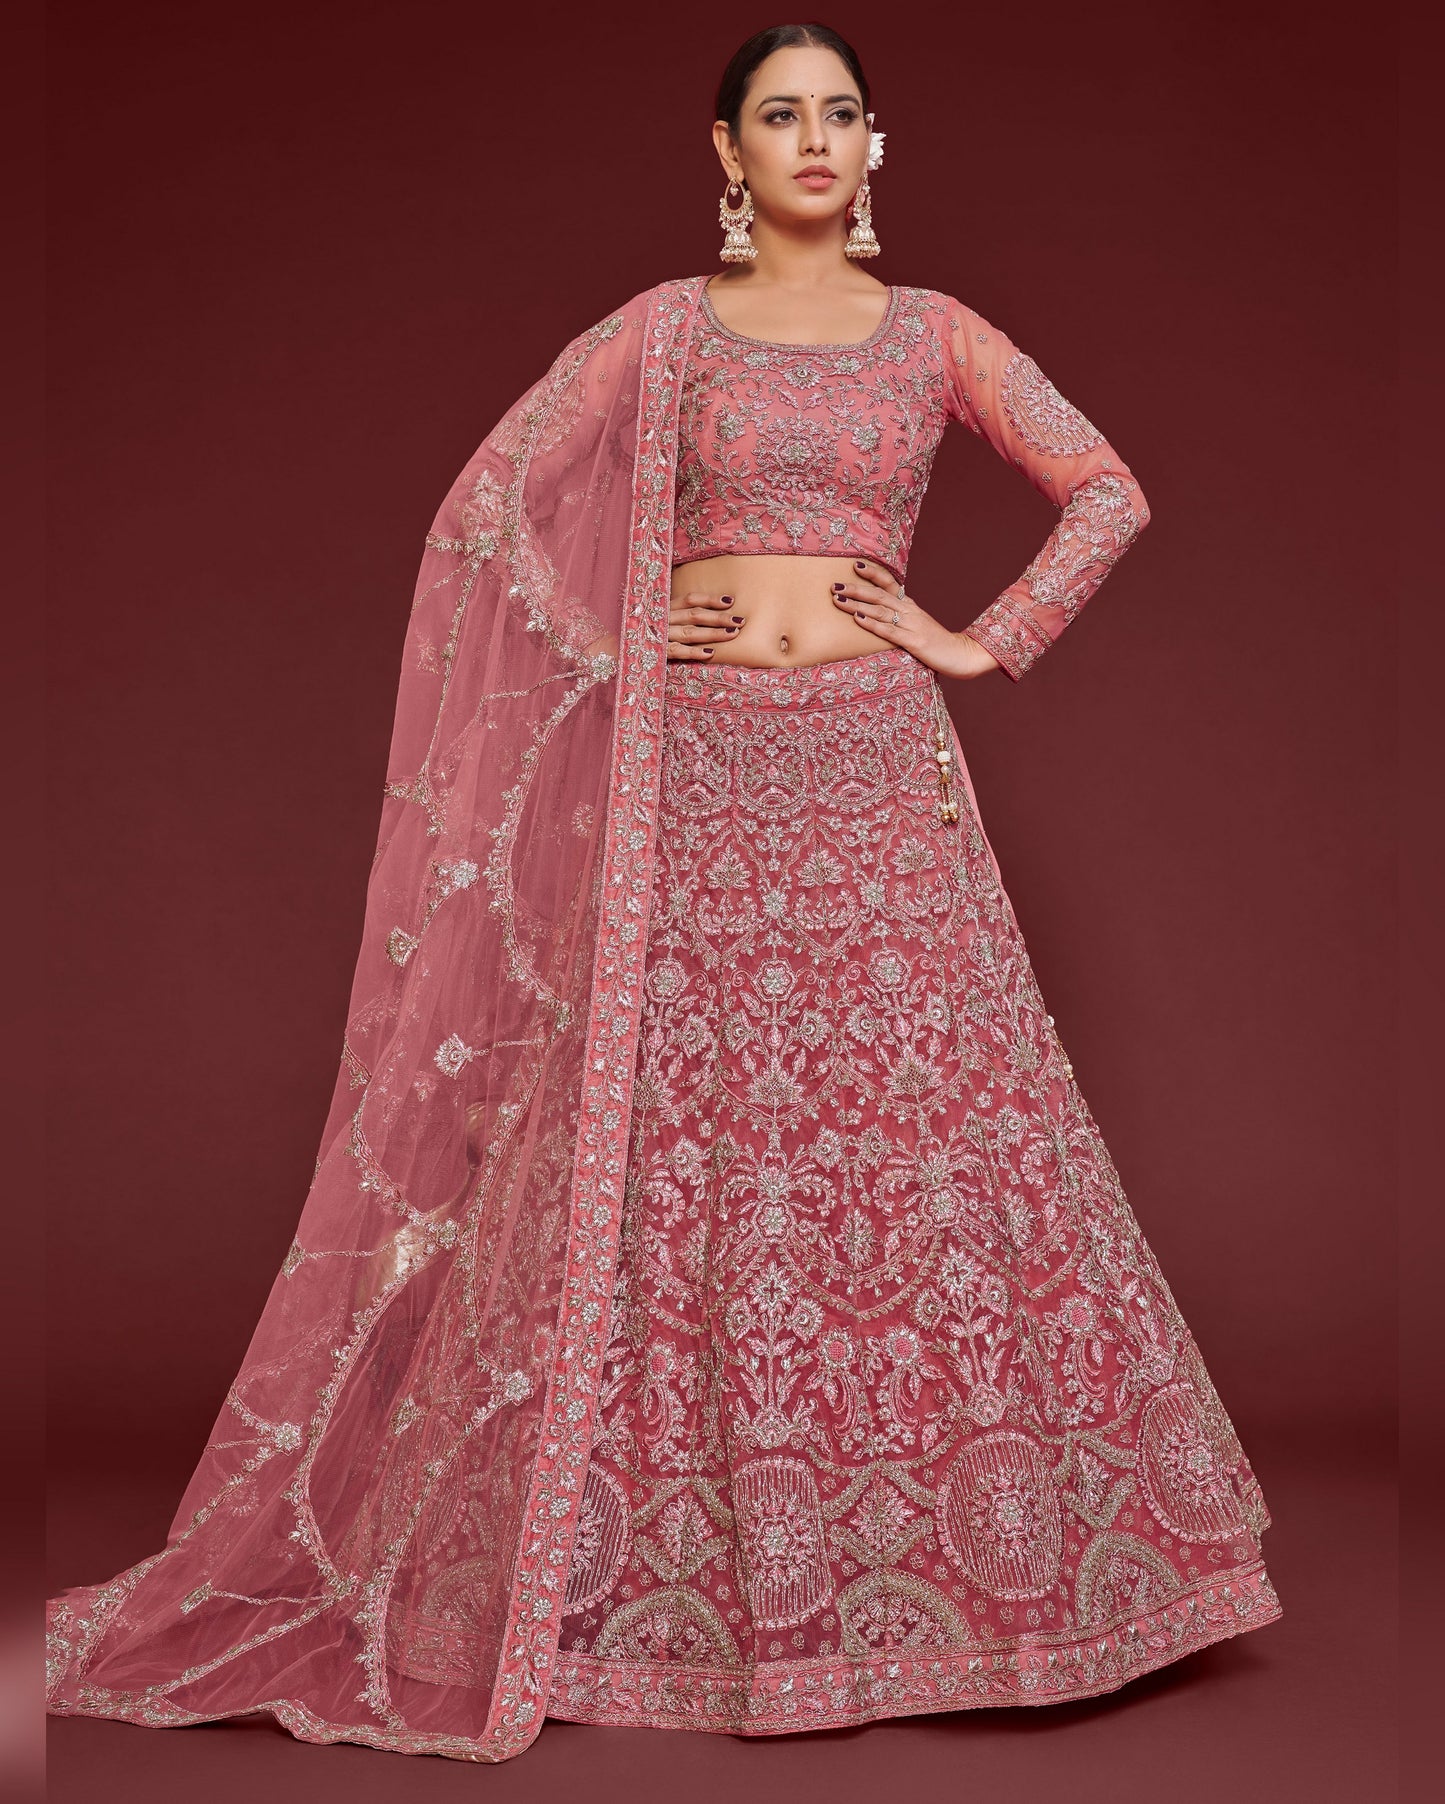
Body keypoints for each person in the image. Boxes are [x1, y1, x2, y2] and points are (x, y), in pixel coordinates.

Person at [46, 22, 1279, 1764]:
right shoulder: (661, 331)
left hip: (870, 766)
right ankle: (654, 1570)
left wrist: (977, 638)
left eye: (840, 113)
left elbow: (1106, 490)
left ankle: (957, 1572)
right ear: (726, 151)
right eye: (780, 114)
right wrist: (622, 632)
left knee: (902, 1119)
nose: (814, 139)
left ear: (875, 145)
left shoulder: (938, 335)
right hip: (691, 767)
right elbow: (490, 523)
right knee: (685, 1126)